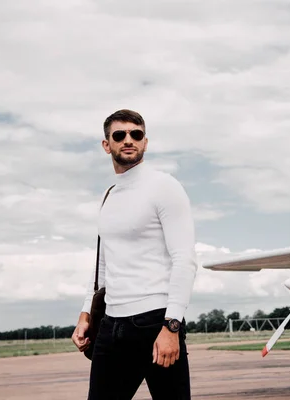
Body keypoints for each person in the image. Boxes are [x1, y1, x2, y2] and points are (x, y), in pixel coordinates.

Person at [71, 109, 198, 399]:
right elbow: (103, 263)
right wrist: (86, 314)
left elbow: (185, 259)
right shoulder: (109, 195)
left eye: (136, 134)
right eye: (120, 135)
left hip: (155, 322)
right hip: (111, 326)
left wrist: (172, 326)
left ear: (145, 142)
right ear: (107, 145)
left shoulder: (164, 187)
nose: (129, 140)